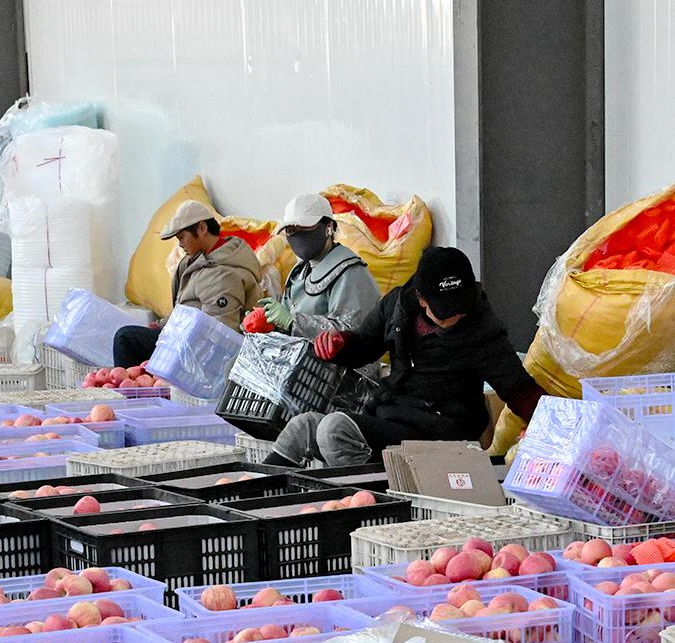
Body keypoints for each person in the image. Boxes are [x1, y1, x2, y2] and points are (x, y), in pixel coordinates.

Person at [266, 245, 544, 469]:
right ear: (421, 299)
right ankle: (256, 492)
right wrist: (340, 345)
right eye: (444, 312)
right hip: (390, 417)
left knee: (334, 430)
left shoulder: (483, 331)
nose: (454, 318)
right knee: (303, 426)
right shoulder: (397, 307)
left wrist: (551, 430)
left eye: (460, 308)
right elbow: (364, 346)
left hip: (440, 434)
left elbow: (520, 390)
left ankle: (374, 500)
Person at [113, 200, 262, 368]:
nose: (180, 244)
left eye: (182, 237)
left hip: (197, 352)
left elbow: (219, 336)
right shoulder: (196, 261)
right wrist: (162, 325)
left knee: (125, 339)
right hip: (182, 337)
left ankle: (132, 384)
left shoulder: (223, 276)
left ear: (202, 228)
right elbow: (185, 308)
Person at [255, 193, 379, 337]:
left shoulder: (350, 273)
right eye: (291, 229)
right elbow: (286, 321)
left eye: (305, 226)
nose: (298, 234)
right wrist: (268, 321)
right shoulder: (299, 272)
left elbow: (353, 332)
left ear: (329, 227)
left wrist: (294, 322)